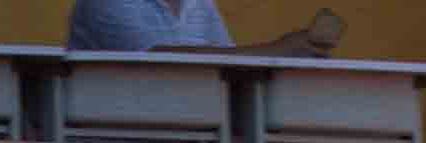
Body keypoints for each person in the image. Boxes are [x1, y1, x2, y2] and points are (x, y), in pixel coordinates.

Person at [64, 0, 340, 54]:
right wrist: (278, 49)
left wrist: (292, 52)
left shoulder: (199, 3)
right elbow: (159, 62)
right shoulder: (103, 2)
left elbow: (229, 67)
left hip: (193, 141)